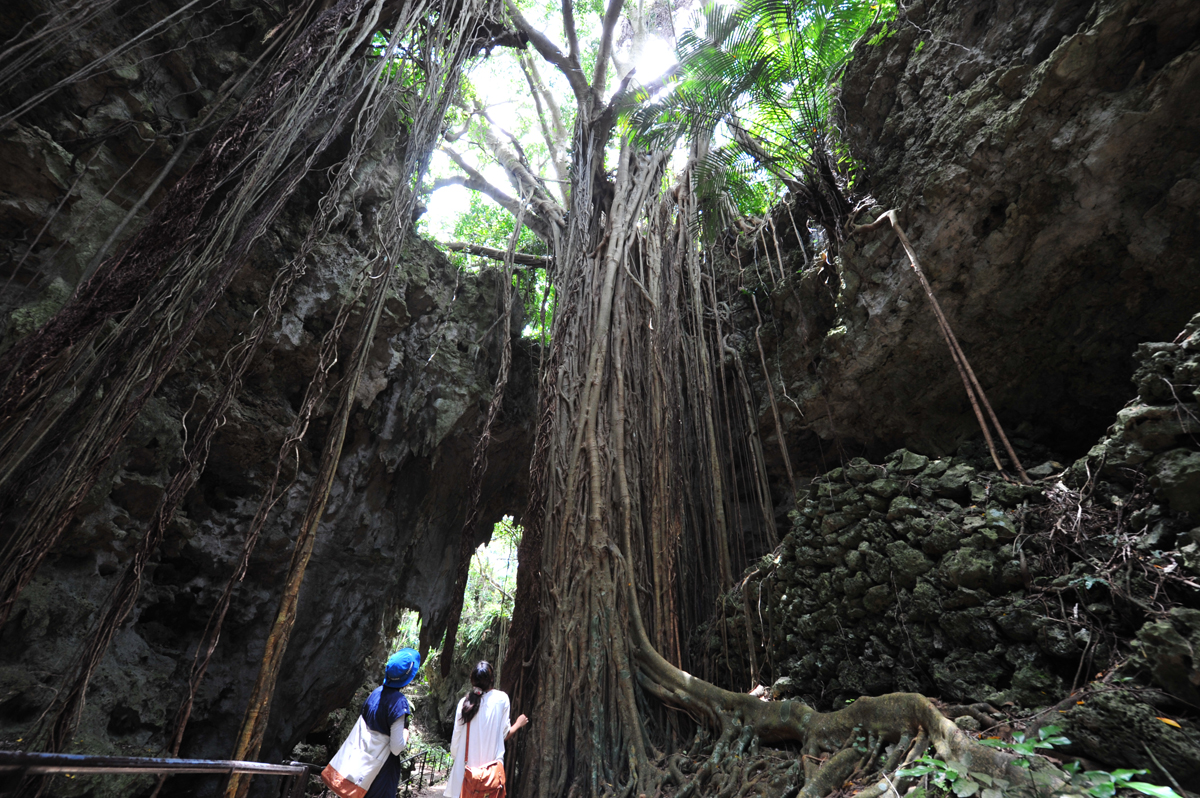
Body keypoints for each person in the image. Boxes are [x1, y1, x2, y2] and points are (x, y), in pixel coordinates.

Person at [322, 648, 421, 798]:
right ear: (408, 678)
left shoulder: (375, 693)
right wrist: (406, 733)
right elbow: (396, 747)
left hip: (361, 768)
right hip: (381, 773)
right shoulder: (399, 703)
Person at [444, 661, 528, 798]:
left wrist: (457, 757)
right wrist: (518, 724)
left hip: (465, 776)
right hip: (490, 778)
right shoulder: (501, 699)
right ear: (492, 679)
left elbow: (456, 743)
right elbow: (504, 735)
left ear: (472, 681)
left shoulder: (464, 703)